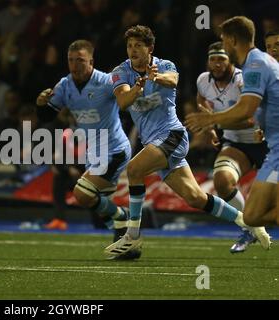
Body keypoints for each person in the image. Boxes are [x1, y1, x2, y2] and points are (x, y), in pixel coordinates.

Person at [105, 25, 271, 258]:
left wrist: (156, 77)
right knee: (195, 197)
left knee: (134, 169)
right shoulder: (121, 71)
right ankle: (248, 223)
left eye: (138, 46)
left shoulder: (165, 65)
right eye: (129, 46)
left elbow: (172, 80)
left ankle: (132, 234)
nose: (132, 50)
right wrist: (138, 87)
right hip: (153, 142)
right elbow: (123, 101)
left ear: (149, 48)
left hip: (172, 135)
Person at [36, 40, 139, 259]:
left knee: (82, 194)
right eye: (71, 60)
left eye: (80, 60)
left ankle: (123, 217)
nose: (74, 65)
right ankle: (127, 242)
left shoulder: (106, 81)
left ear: (91, 61)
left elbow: (126, 102)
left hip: (114, 150)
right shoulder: (65, 85)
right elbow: (46, 116)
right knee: (96, 204)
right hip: (93, 153)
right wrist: (41, 104)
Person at [185, 16, 279, 229]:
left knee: (266, 212)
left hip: (274, 149)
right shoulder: (256, 63)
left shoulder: (255, 65)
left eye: (224, 40)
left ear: (233, 40)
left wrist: (211, 120)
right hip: (271, 147)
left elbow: (246, 109)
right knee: (252, 217)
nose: (224, 45)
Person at [196, 41, 269, 253]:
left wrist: (213, 122)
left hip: (266, 142)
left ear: (231, 62)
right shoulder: (203, 80)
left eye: (221, 59)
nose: (217, 64)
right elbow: (201, 101)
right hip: (236, 144)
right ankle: (249, 226)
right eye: (213, 59)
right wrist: (209, 126)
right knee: (222, 181)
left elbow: (249, 119)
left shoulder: (243, 80)